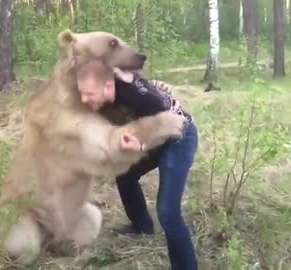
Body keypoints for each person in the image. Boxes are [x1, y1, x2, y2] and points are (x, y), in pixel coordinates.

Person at [75, 59, 199, 270]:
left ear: (107, 86)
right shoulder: (107, 88)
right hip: (148, 137)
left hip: (177, 136)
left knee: (168, 212)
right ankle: (142, 226)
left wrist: (142, 146)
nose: (85, 99)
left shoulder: (140, 97)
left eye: (89, 94)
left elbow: (167, 125)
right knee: (125, 175)